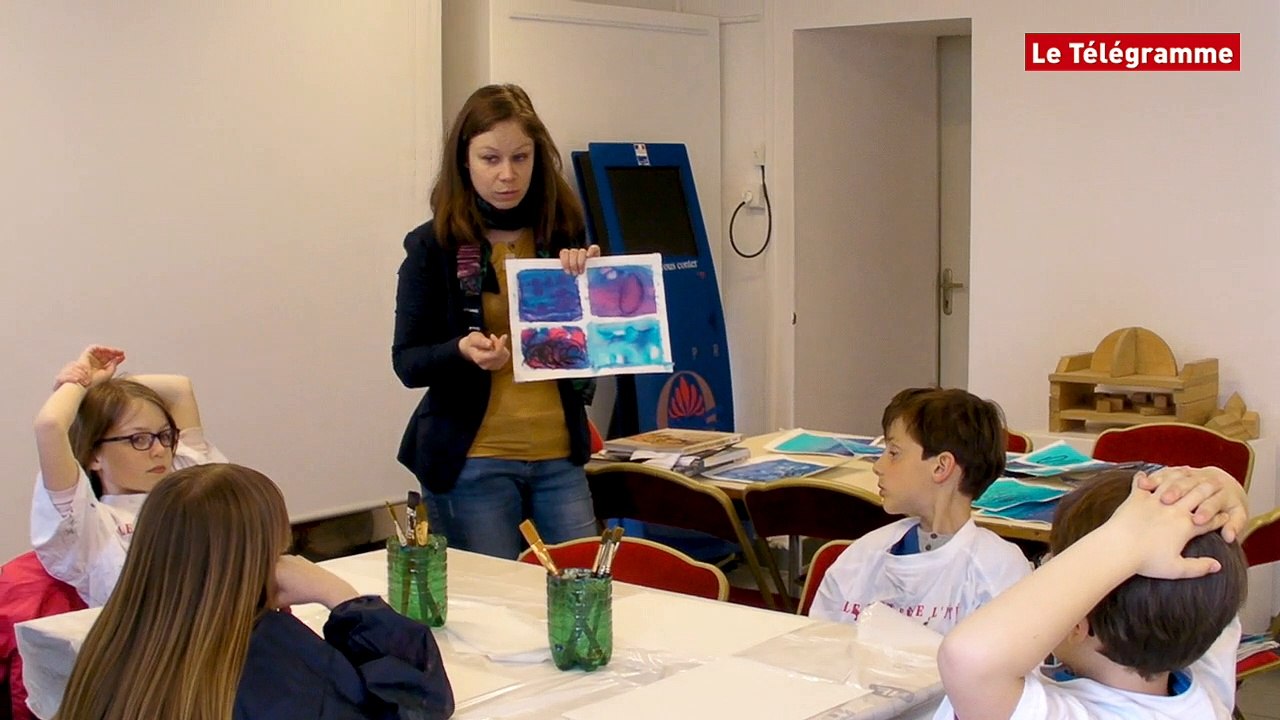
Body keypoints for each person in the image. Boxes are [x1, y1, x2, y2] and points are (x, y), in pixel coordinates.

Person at [55, 463, 454, 720]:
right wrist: (341, 597)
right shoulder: (269, 652)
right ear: (268, 550)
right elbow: (419, 705)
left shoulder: (113, 640)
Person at [393, 83, 598, 559]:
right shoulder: (432, 246)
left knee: (584, 593)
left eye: (521, 158)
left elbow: (590, 348)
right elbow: (408, 362)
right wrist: (461, 351)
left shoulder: (564, 233)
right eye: (490, 159)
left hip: (558, 455)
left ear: (538, 159)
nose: (507, 175)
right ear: (464, 160)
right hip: (473, 459)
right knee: (496, 607)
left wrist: (591, 288)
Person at [934, 466, 1248, 719]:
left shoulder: (1061, 713)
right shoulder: (1207, 688)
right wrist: (1221, 486)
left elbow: (968, 658)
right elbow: (1211, 568)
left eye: (1049, 560)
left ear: (1075, 622)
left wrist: (1126, 541)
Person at [808, 387, 1031, 633]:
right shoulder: (862, 558)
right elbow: (819, 648)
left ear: (941, 467)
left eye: (894, 453)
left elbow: (1013, 666)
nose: (878, 466)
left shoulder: (997, 571)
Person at [31, 345, 227, 606]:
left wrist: (99, 383)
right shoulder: (89, 527)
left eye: (164, 435)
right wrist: (79, 385)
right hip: (157, 642)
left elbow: (180, 390)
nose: (159, 450)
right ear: (93, 456)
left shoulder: (188, 475)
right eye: (139, 439)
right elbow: (50, 425)